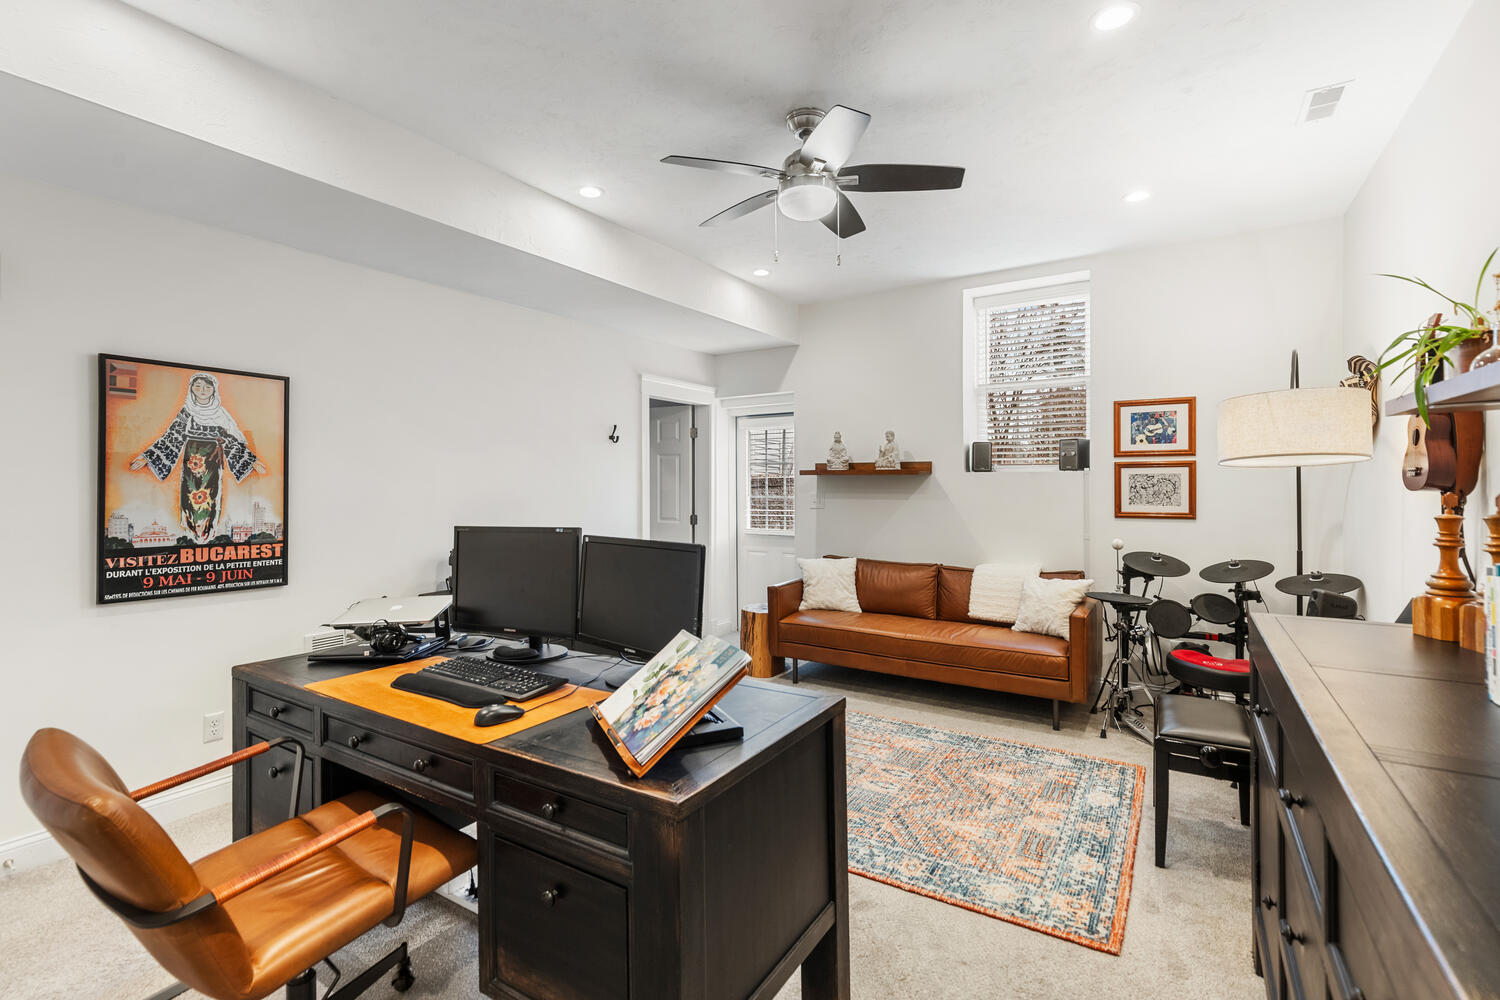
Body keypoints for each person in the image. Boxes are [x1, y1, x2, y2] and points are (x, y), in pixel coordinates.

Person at [130, 372, 266, 543]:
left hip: (212, 460)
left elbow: (231, 440)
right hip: (192, 459)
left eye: (207, 387)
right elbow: (171, 437)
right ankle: (192, 532)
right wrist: (146, 457)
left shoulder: (220, 414)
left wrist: (253, 461)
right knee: (190, 494)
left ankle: (207, 533)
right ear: (192, 388)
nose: (203, 390)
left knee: (211, 495)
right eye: (198, 386)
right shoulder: (186, 412)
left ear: (214, 390)